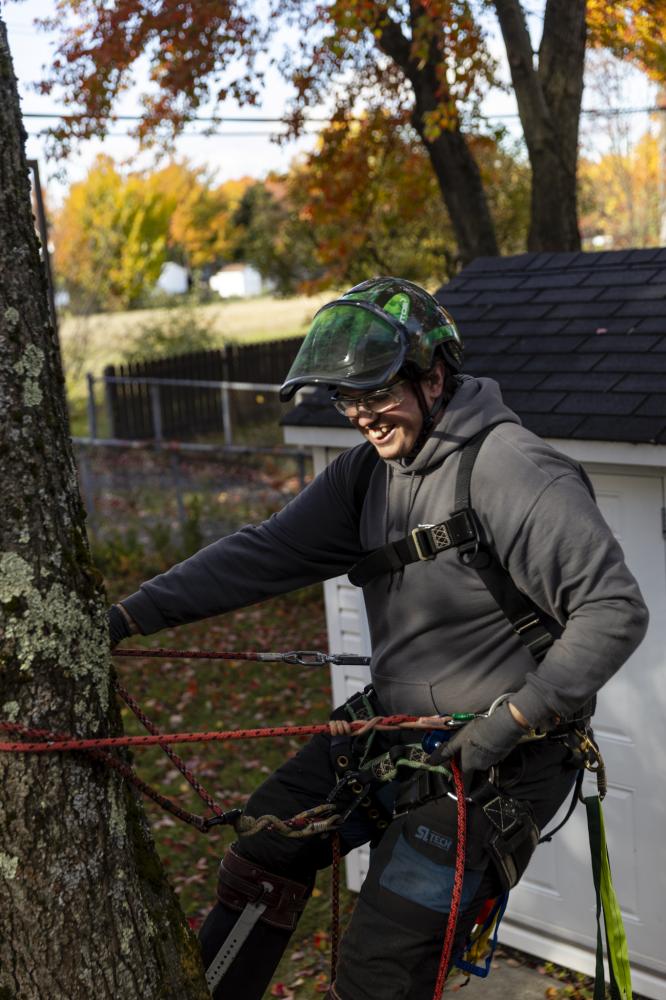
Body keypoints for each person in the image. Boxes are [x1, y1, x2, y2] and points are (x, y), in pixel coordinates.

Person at [108, 277, 649, 1000]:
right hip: (395, 733)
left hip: (503, 759)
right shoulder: (367, 476)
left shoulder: (512, 468)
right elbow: (263, 554)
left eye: (376, 392)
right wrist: (126, 617)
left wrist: (511, 720)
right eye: (346, 398)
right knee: (265, 854)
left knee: (378, 975)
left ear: (434, 376)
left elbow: (614, 610)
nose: (362, 414)